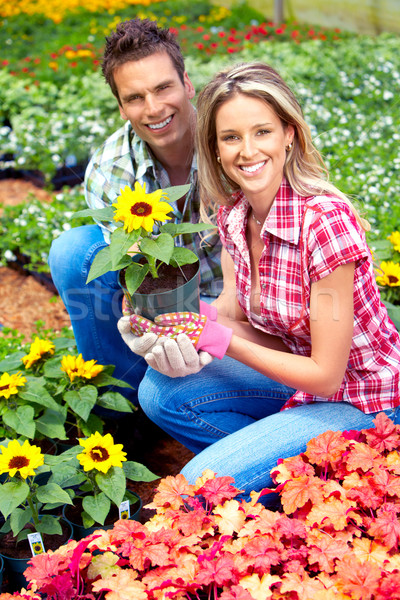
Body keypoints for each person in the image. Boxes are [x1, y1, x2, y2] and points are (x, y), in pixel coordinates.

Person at [123, 62, 400, 504]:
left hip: (364, 402)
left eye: (262, 132)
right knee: (160, 392)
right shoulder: (235, 214)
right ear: (214, 148)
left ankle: (300, 481)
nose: (247, 151)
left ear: (289, 134)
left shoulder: (325, 223)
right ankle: (288, 477)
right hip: (296, 378)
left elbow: (327, 377)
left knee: (201, 486)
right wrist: (168, 318)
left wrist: (215, 338)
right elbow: (236, 317)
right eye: (230, 137)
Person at [48, 18, 223, 407]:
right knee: (74, 251)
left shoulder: (231, 142)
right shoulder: (111, 170)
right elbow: (138, 275)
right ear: (121, 107)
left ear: (187, 83)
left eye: (163, 88)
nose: (154, 108)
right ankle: (121, 406)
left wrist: (212, 329)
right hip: (167, 309)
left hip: (238, 312)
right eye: (135, 97)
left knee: (173, 398)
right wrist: (156, 333)